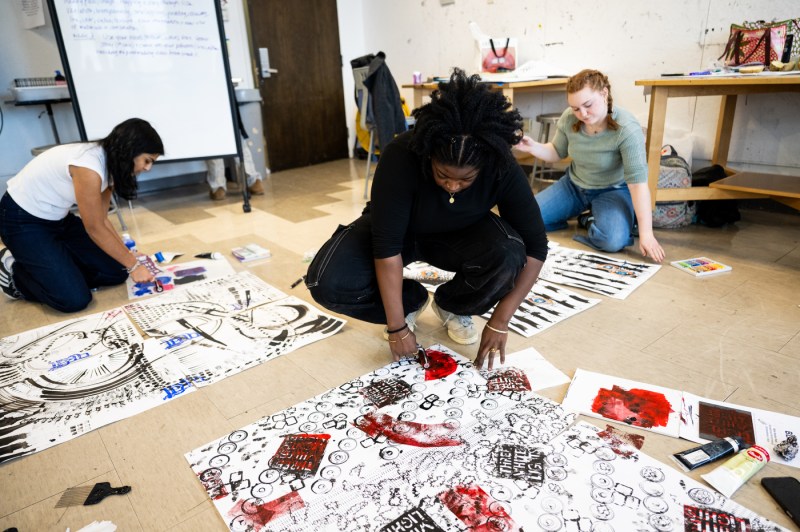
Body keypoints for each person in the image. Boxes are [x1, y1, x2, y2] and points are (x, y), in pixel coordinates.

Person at [305, 69, 548, 369]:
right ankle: (411, 301)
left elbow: (537, 247)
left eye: (465, 180)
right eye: (443, 174)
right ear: (429, 153)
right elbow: (386, 247)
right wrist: (397, 327)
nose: (452, 185)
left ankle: (452, 304)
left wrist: (500, 320)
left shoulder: (500, 165)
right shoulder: (401, 155)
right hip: (400, 232)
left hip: (461, 234)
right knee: (327, 281)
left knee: (510, 254)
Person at [0, 118, 164, 312]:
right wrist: (135, 266)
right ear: (130, 150)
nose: (147, 168)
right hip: (22, 220)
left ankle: (52, 261)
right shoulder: (89, 166)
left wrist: (127, 255)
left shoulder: (112, 166)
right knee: (73, 299)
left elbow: (102, 219)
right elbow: (94, 227)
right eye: (147, 160)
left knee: (118, 272)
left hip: (59, 219)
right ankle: (13, 272)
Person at [516, 69, 665, 263]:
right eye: (575, 108)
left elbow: (637, 184)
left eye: (587, 105)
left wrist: (647, 234)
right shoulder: (569, 118)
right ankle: (582, 214)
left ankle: (589, 219)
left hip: (613, 190)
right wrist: (532, 147)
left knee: (612, 241)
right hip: (575, 185)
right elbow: (556, 152)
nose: (582, 114)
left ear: (604, 94)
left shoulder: (626, 128)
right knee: (524, 220)